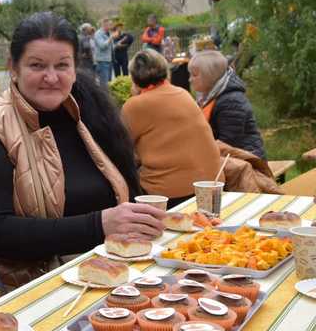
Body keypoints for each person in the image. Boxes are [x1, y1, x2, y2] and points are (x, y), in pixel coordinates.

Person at [0, 12, 165, 289]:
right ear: (13, 68)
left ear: (74, 68)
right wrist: (98, 225)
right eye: (37, 65)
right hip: (36, 294)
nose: (51, 77)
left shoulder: (88, 113)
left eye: (62, 65)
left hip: (110, 279)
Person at [121, 50, 223, 208]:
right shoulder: (183, 93)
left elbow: (121, 149)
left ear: (133, 78)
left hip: (169, 193)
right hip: (211, 185)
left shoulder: (135, 105)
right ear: (166, 71)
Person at [188, 50, 266, 159]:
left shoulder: (232, 102)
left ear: (209, 76)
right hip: (227, 157)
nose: (190, 79)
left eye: (194, 75)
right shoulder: (207, 97)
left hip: (246, 161)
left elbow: (228, 144)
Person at [93, 18, 114, 84]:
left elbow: (111, 46)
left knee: (109, 82)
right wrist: (111, 38)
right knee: (104, 83)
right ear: (104, 24)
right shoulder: (98, 33)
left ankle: (108, 94)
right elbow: (102, 46)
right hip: (102, 62)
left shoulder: (109, 33)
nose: (111, 26)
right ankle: (104, 94)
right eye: (109, 24)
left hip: (109, 60)